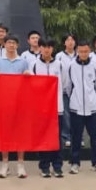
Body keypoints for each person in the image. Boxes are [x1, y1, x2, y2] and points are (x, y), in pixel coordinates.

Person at [66, 40, 96, 175]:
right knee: (76, 137)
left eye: (86, 51)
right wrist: (76, 98)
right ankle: (75, 163)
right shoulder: (71, 66)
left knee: (94, 137)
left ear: (89, 51)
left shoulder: (95, 66)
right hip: (76, 107)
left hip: (93, 108)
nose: (83, 54)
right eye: (81, 51)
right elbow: (68, 86)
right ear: (77, 51)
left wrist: (92, 99)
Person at [0, 34, 31, 178]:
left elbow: (28, 83)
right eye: (9, 42)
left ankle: (20, 165)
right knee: (5, 134)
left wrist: (27, 74)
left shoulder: (23, 62)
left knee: (20, 133)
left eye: (14, 43)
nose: (11, 45)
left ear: (17, 45)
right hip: (3, 103)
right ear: (4, 45)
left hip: (20, 103)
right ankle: (5, 165)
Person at [32, 37, 67, 178]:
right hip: (41, 109)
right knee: (43, 137)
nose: (46, 49)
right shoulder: (34, 65)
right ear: (39, 47)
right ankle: (44, 166)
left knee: (57, 138)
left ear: (53, 48)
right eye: (44, 46)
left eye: (49, 47)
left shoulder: (59, 65)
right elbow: (32, 86)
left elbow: (64, 83)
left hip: (57, 108)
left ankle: (57, 166)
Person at [55, 33, 76, 147]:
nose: (70, 42)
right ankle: (66, 136)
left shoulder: (80, 54)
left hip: (77, 89)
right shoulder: (59, 56)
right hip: (63, 89)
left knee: (77, 114)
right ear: (64, 42)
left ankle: (77, 136)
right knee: (66, 114)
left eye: (72, 40)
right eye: (68, 40)